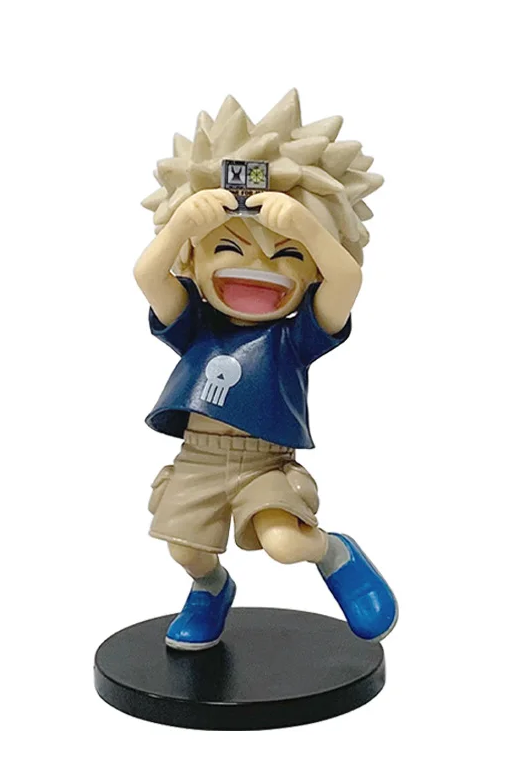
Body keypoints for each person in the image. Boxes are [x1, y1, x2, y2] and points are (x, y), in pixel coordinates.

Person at [134, 89, 398, 651]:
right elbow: (148, 278)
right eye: (229, 249)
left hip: (265, 461)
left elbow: (348, 281)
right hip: (199, 458)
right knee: (185, 549)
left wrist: (308, 229)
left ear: (310, 273)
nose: (257, 269)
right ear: (194, 259)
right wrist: (181, 225)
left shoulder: (293, 335)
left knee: (284, 542)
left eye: (286, 255)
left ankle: (334, 553)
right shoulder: (196, 322)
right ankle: (210, 589)